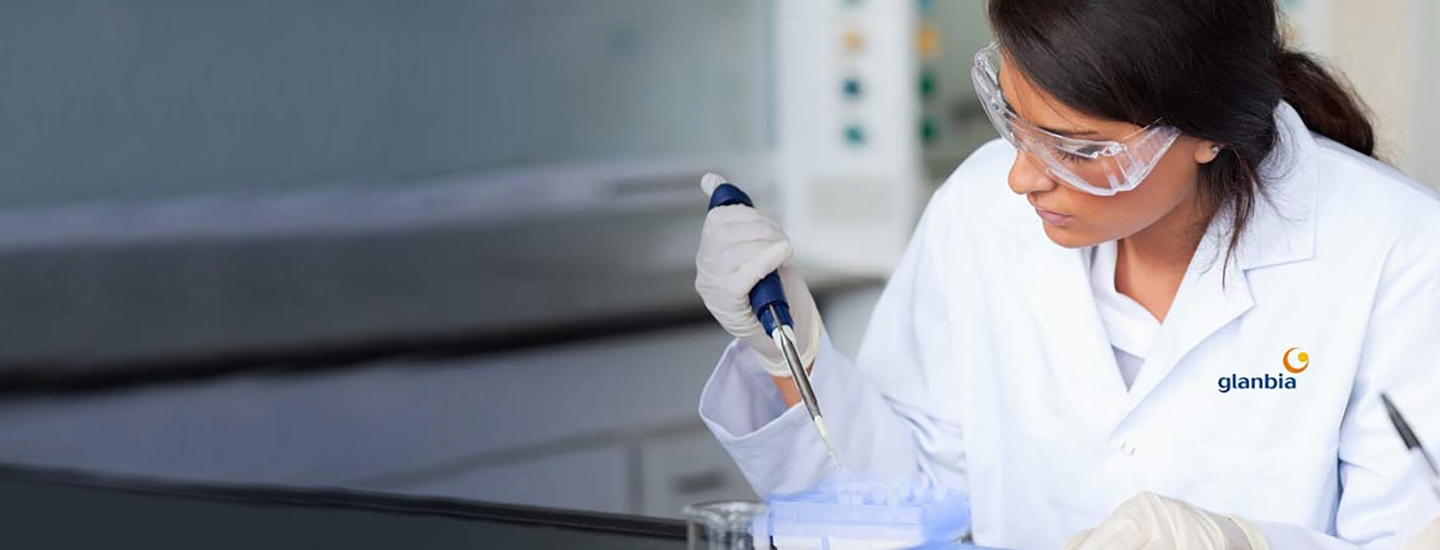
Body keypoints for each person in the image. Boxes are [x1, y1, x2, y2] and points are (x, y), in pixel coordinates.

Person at [692, 1, 1440, 549]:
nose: (1023, 177)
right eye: (1015, 123)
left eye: (1077, 150)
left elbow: (1410, 538)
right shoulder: (980, 210)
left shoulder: (1395, 247)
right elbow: (907, 502)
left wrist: (1237, 543)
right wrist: (794, 361)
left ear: (1207, 131)